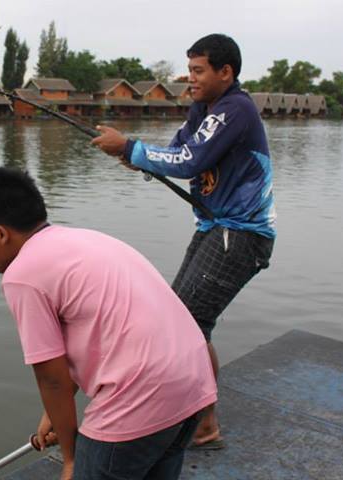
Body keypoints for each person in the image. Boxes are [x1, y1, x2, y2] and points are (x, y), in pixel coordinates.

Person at [0, 166, 217, 480]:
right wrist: (54, 414)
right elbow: (105, 333)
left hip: (141, 395)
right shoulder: (86, 240)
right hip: (193, 384)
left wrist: (70, 458)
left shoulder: (23, 274)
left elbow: (50, 378)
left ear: (0, 233)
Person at [91, 33, 276, 449]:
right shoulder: (203, 109)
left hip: (242, 234)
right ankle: (200, 418)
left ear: (225, 73)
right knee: (184, 321)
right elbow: (178, 151)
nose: (188, 79)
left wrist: (133, 147)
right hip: (217, 227)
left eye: (198, 71)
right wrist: (131, 155)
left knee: (187, 326)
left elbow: (189, 162)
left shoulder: (236, 109)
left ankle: (199, 420)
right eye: (189, 69)